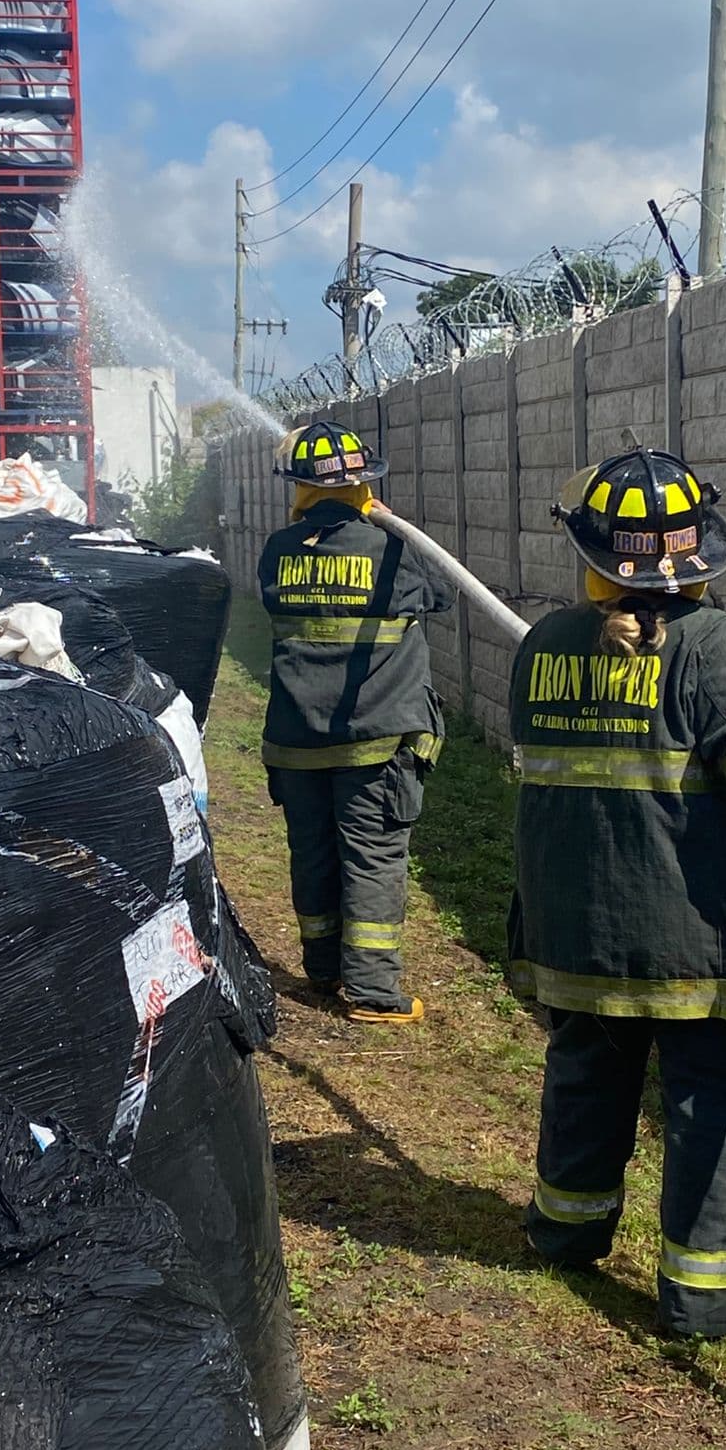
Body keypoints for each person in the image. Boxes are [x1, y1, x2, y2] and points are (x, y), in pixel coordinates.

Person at [508, 445, 726, 1342]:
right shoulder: (717, 647)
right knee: (723, 1098)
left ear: (589, 556)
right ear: (700, 552)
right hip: (706, 948)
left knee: (588, 1073)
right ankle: (710, 1299)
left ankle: (566, 1229)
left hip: (576, 936)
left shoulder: (542, 647)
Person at [258, 421, 456, 1024]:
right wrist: (388, 525)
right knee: (371, 856)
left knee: (312, 852)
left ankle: (323, 970)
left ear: (297, 487)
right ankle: (372, 991)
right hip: (374, 739)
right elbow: (442, 592)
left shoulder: (278, 549)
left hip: (295, 738)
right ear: (364, 482)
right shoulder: (388, 547)